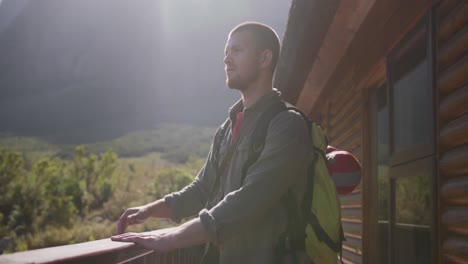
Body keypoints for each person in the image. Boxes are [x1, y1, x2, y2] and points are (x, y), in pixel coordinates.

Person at [111, 21, 311, 263]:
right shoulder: (227, 128)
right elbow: (203, 189)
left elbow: (250, 200)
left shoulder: (287, 125)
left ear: (264, 58)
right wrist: (150, 210)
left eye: (237, 51)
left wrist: (173, 238)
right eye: (226, 53)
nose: (227, 60)